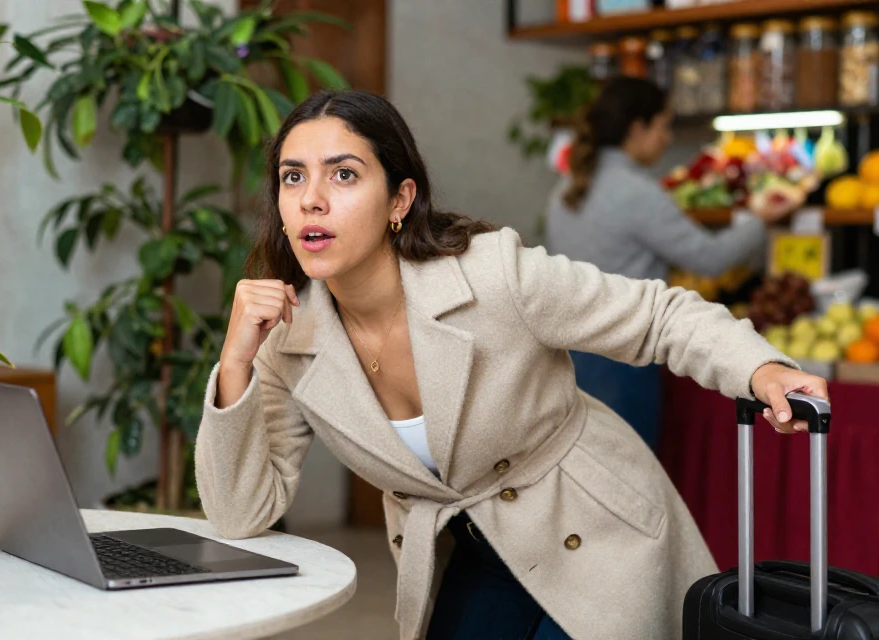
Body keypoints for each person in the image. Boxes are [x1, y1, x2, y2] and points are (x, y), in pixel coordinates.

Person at [196, 89, 827, 640]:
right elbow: (239, 512)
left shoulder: (492, 275)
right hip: (474, 550)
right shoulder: (288, 340)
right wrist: (235, 361)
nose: (311, 200)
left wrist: (760, 370)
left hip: (593, 532)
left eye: (342, 175)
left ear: (399, 199)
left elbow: (657, 315)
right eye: (292, 177)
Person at [545, 76, 793, 452]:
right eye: (663, 126)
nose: (668, 138)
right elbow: (709, 259)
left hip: (568, 353)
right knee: (630, 468)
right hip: (622, 357)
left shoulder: (564, 190)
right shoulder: (637, 193)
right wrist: (760, 220)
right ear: (637, 128)